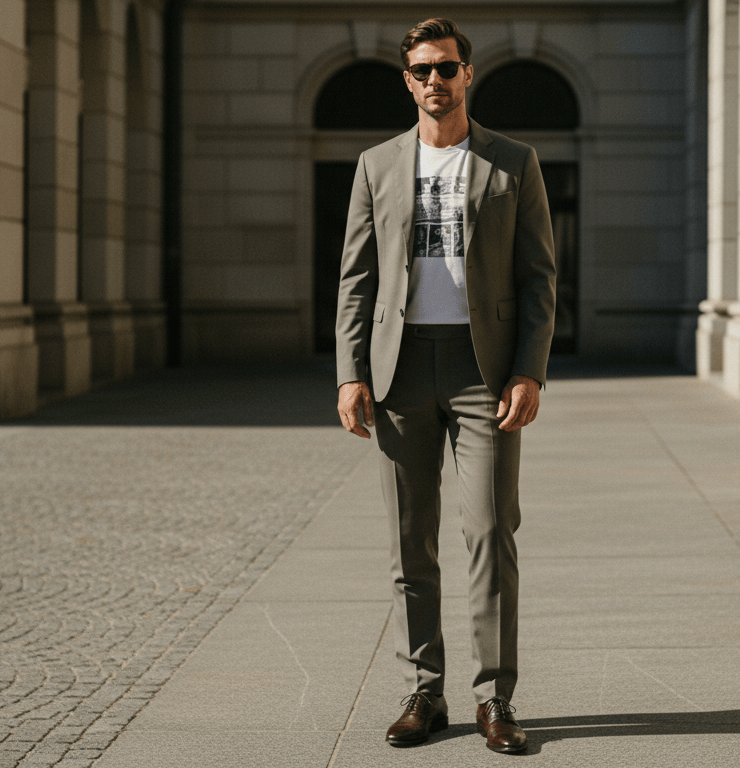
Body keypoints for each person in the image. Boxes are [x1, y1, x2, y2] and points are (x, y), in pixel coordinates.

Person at [334, 18, 556, 755]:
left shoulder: (513, 163)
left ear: (469, 74)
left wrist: (529, 369)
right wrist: (349, 373)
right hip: (400, 372)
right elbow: (356, 281)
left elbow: (538, 280)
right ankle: (424, 692)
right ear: (407, 80)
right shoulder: (376, 166)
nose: (437, 80)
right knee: (410, 543)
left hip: (482, 371)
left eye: (448, 68)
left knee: (491, 532)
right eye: (423, 70)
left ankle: (494, 698)